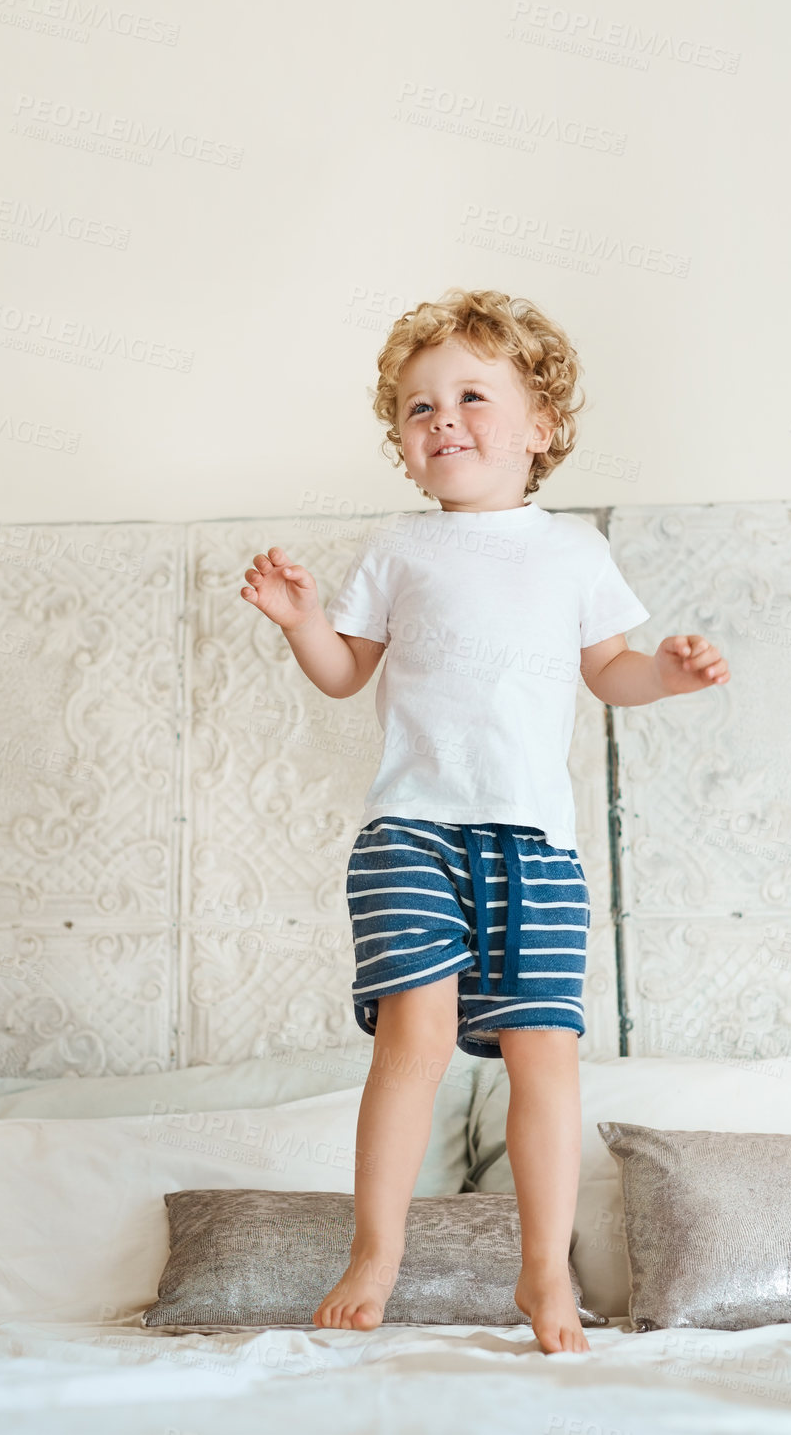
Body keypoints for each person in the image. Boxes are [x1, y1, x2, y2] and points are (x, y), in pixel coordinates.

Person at [240, 287, 729, 1353]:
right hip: (411, 830)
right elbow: (340, 675)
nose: (442, 418)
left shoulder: (572, 553)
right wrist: (301, 622)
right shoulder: (400, 550)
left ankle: (541, 1276)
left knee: (543, 1052)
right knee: (412, 1039)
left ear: (539, 427)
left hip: (535, 848)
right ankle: (376, 1252)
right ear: (403, 447)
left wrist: (669, 675)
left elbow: (611, 673)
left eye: (469, 395)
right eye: (417, 409)